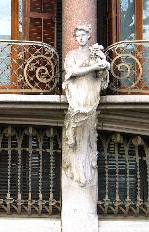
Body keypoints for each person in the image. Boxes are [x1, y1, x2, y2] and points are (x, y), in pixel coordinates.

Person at [62, 25, 110, 187]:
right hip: (77, 91)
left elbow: (101, 74)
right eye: (78, 36)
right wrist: (93, 67)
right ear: (75, 38)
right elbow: (72, 71)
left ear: (89, 37)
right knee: (77, 115)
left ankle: (85, 162)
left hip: (91, 90)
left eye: (84, 35)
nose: (81, 38)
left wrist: (104, 65)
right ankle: (71, 136)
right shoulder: (71, 54)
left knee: (88, 127)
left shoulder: (94, 53)